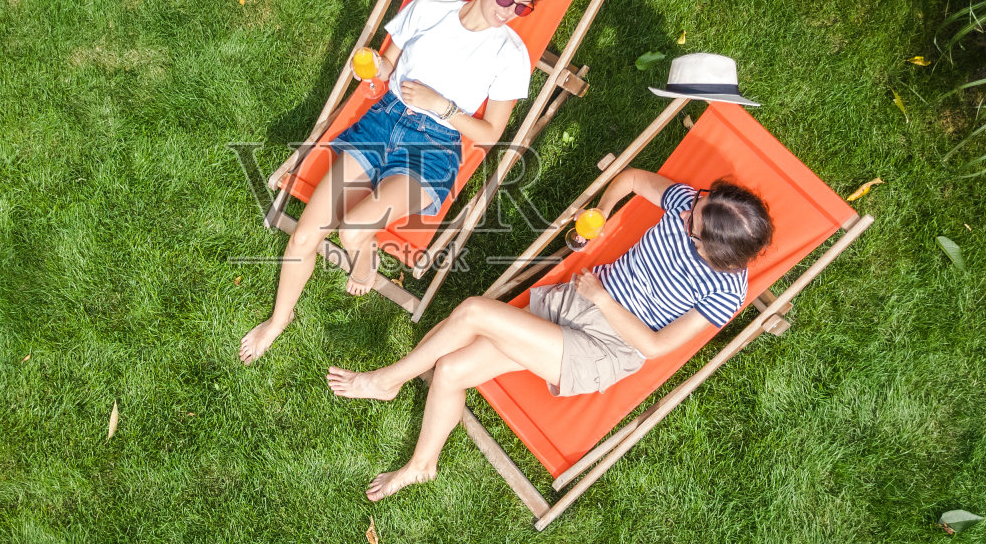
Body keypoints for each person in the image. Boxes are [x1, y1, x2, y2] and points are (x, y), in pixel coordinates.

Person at [326, 168, 774, 501]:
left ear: (711, 251)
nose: (686, 214)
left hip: (606, 347)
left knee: (474, 312)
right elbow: (633, 179)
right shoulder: (690, 205)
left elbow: (654, 346)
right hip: (575, 303)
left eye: (693, 227)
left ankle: (387, 381)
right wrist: (602, 211)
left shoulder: (725, 292)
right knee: (450, 370)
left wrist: (603, 300)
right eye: (696, 205)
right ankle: (423, 464)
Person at [239, 0, 555, 364]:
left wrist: (442, 105)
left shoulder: (510, 55)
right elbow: (387, 65)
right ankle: (279, 320)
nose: (509, 11)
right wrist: (374, 66)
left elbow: (491, 134)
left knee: (352, 232)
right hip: (381, 123)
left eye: (522, 7)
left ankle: (364, 261)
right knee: (303, 236)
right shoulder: (428, 9)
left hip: (433, 148)